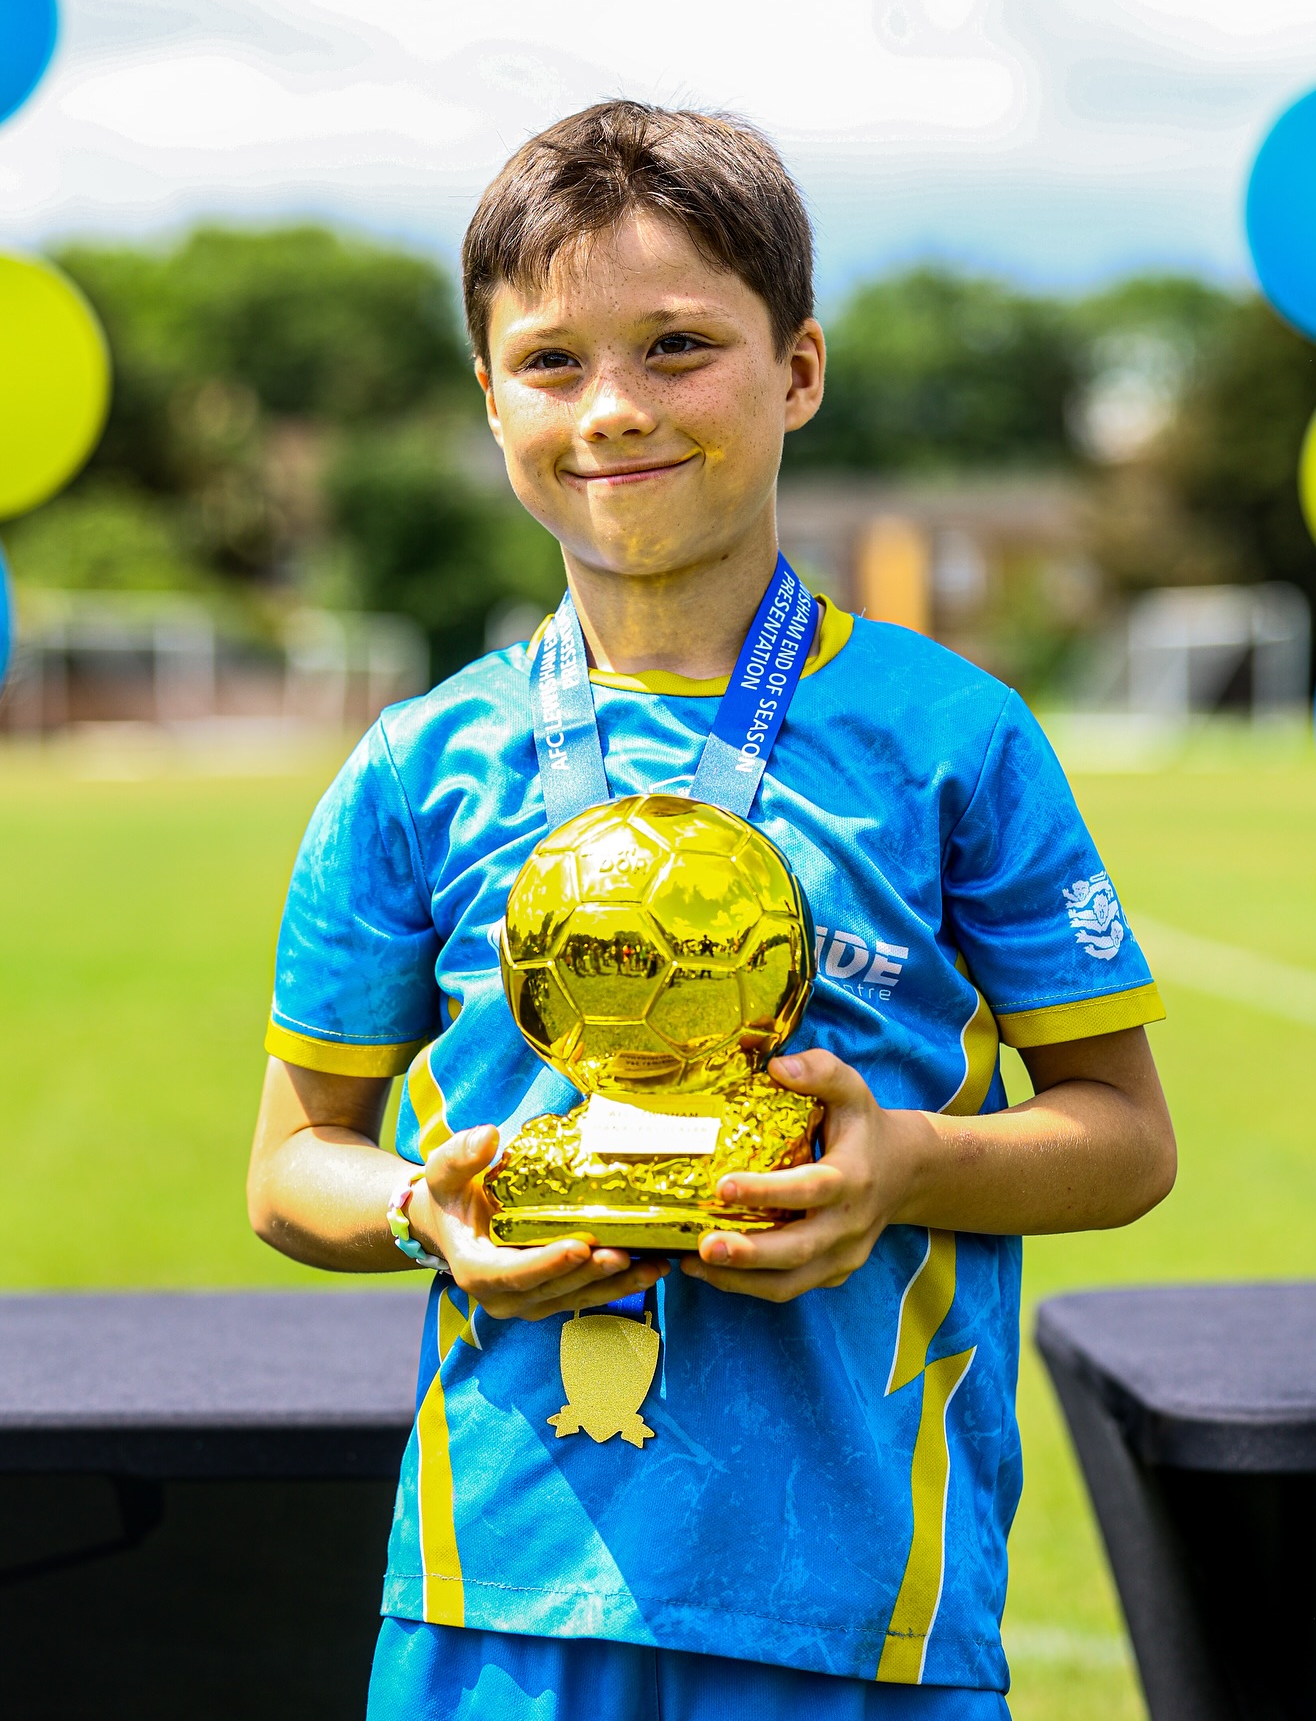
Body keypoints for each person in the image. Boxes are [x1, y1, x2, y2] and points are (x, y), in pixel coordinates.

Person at [246, 100, 1175, 1721]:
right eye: (550, 361)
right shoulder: (419, 766)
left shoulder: (953, 739)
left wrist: (907, 1167)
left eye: (679, 346)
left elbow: (1124, 1137)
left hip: (859, 1609)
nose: (614, 409)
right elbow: (288, 1169)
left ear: (798, 370)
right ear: (488, 398)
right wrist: (425, 1210)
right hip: (502, 1603)